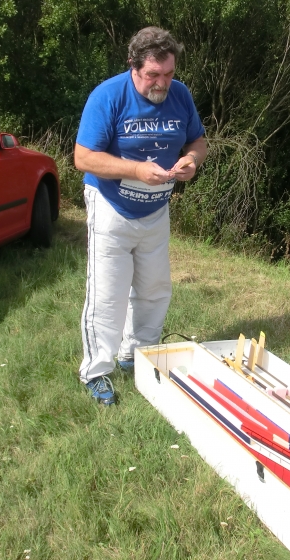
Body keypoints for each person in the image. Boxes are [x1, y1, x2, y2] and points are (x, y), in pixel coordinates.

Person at [75, 27, 208, 405]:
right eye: (153, 75)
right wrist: (136, 170)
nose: (162, 83)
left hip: (156, 209)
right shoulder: (108, 95)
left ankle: (137, 355)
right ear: (133, 66)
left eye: (169, 73)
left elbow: (199, 141)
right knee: (108, 295)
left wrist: (191, 160)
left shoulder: (180, 95)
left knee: (154, 289)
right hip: (111, 206)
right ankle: (96, 371)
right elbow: (83, 157)